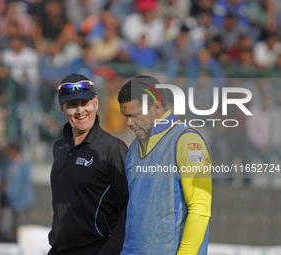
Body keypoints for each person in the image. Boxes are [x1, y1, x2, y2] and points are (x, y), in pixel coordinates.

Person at [117, 75, 212, 254]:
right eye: (126, 116)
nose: (129, 123)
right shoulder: (134, 147)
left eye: (134, 115)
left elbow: (200, 209)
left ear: (155, 108)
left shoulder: (187, 141)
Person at [47, 74, 129, 255]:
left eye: (84, 103)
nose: (80, 111)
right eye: (72, 105)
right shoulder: (59, 148)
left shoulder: (113, 149)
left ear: (96, 104)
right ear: (62, 109)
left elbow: (128, 210)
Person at [0, 141, 34, 242]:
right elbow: (2, 177)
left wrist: (18, 197)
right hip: (8, 202)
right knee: (4, 227)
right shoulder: (7, 162)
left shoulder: (24, 163)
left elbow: (26, 183)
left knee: (20, 228)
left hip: (21, 202)